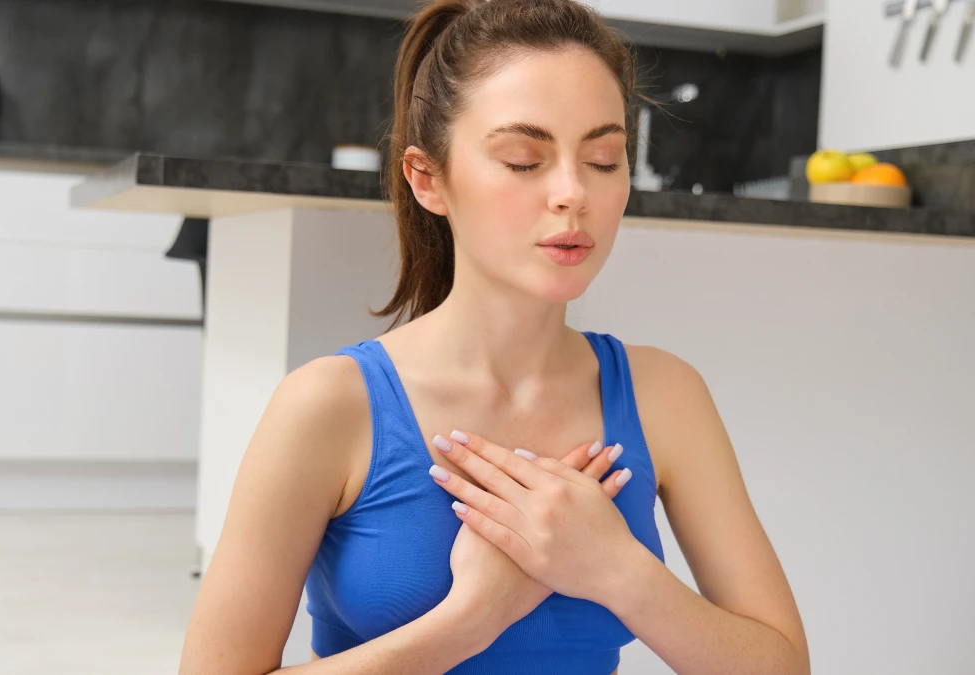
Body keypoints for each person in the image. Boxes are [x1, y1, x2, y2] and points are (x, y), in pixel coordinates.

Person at [179, 0, 809, 673]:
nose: (572, 192)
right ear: (428, 178)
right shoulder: (329, 407)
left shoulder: (664, 395)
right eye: (521, 160)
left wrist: (618, 568)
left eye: (603, 157)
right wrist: (469, 619)